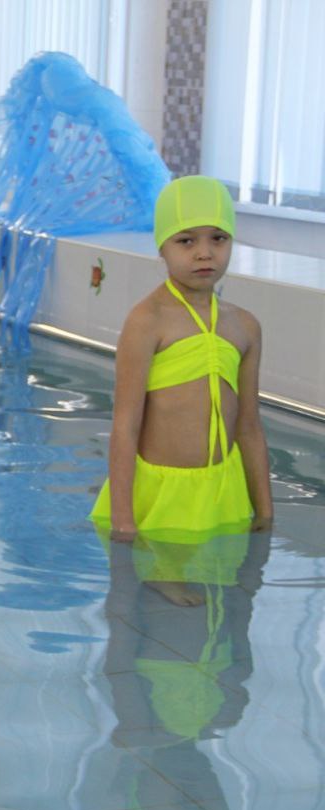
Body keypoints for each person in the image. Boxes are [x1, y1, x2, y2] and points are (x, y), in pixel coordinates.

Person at [90, 175, 273, 547]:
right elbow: (125, 426)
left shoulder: (245, 326)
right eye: (186, 241)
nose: (204, 253)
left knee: (228, 581)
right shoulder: (147, 322)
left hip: (225, 496)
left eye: (218, 238)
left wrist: (265, 511)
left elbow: (249, 427)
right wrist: (123, 520)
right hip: (161, 498)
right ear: (162, 246)